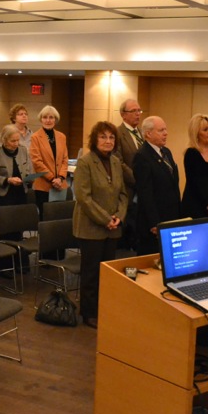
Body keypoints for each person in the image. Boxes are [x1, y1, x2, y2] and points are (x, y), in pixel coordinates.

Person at [73, 122, 128, 329]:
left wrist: (118, 217)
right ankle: (88, 313)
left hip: (113, 227)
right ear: (95, 140)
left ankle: (102, 308)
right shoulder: (85, 162)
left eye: (111, 137)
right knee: (91, 273)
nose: (108, 141)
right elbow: (83, 198)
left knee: (106, 274)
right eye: (103, 137)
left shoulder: (115, 162)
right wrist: (106, 219)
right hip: (91, 228)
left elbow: (123, 194)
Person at [0, 124, 33, 275]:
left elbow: (28, 169)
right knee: (7, 231)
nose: (16, 144)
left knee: (19, 229)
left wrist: (29, 178)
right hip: (4, 195)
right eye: (12, 141)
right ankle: (6, 267)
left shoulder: (23, 150)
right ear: (4, 140)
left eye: (17, 140)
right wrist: (7, 180)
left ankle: (21, 264)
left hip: (21, 193)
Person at [132, 116, 180, 255]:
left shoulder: (166, 152)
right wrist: (154, 222)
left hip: (171, 216)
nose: (166, 133)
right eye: (161, 130)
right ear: (148, 133)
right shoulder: (142, 156)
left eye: (165, 129)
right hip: (154, 221)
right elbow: (145, 192)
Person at [181, 114, 208, 219]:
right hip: (195, 204)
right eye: (205, 130)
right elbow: (194, 183)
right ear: (196, 133)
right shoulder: (191, 153)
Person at [29, 105, 69, 214]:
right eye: (45, 117)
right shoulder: (35, 137)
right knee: (45, 217)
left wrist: (60, 178)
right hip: (43, 185)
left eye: (51, 117)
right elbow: (37, 162)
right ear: (40, 119)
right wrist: (52, 179)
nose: (48, 120)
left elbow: (65, 160)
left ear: (55, 120)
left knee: (59, 216)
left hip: (60, 185)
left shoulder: (62, 136)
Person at [116, 99, 142, 249]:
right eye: (134, 111)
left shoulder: (142, 133)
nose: (138, 114)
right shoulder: (118, 133)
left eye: (139, 110)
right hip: (128, 190)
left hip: (142, 193)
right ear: (123, 114)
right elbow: (119, 163)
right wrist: (138, 180)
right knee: (127, 231)